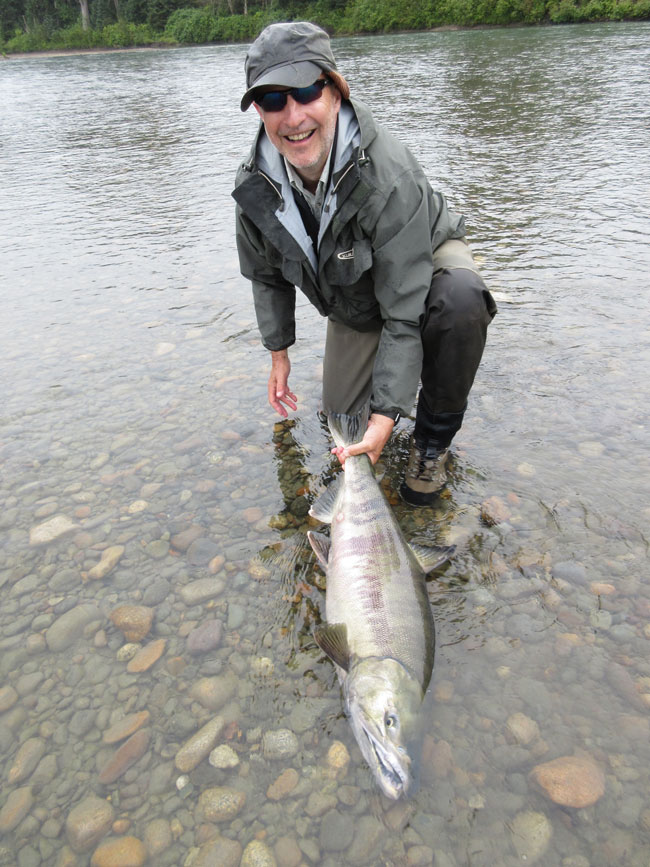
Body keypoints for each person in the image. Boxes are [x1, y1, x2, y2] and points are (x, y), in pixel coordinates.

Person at [233, 21, 496, 506]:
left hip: (424, 266)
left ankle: (431, 444)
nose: (292, 117)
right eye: (272, 100)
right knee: (344, 435)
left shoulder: (388, 174)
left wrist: (388, 415)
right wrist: (279, 352)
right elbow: (265, 274)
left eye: (305, 91)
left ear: (334, 90)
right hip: (356, 293)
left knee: (457, 303)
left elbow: (404, 306)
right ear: (259, 111)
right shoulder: (256, 185)